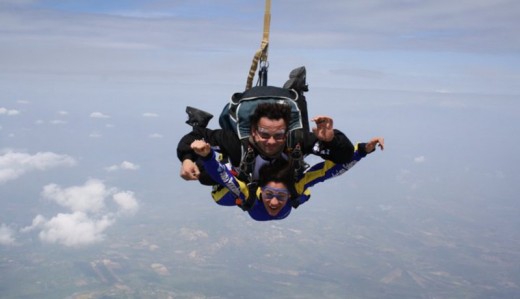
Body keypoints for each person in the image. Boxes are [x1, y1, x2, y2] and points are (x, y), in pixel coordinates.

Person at [191, 137, 384, 221]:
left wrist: (207, 157)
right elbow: (328, 172)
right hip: (246, 190)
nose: (274, 202)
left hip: (231, 197)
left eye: (279, 196)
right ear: (261, 190)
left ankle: (221, 154)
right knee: (220, 180)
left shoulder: (247, 193)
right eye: (271, 195)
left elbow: (223, 177)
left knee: (213, 179)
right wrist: (362, 151)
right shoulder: (294, 190)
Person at [177, 102, 355, 185]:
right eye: (264, 134)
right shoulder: (235, 143)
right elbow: (196, 136)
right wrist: (187, 159)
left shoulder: (297, 140)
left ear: (287, 133)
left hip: (270, 180)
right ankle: (198, 120)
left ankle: (297, 89)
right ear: (253, 131)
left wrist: (332, 140)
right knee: (205, 175)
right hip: (239, 169)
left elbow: (344, 156)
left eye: (279, 135)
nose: (271, 141)